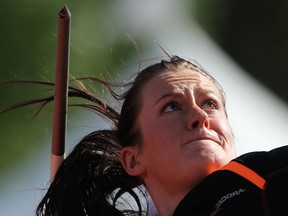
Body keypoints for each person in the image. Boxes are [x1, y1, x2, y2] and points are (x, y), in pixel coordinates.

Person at [2, 55, 288, 215]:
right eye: (171, 107)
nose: (200, 117)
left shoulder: (269, 177)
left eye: (210, 104)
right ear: (133, 159)